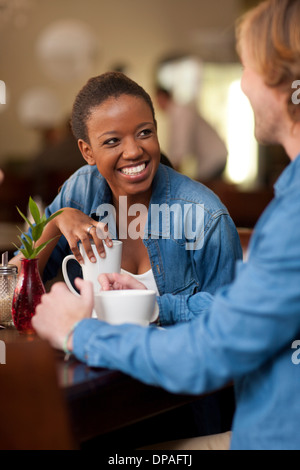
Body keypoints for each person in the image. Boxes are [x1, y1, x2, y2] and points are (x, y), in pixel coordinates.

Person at [31, 0, 300, 450]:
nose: (243, 83)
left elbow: (211, 352)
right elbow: (20, 268)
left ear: (284, 83)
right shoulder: (287, 204)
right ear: (86, 150)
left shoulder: (265, 219)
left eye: (246, 68)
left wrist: (81, 332)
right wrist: (57, 222)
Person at [10, 71, 242, 438]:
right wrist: (55, 221)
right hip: (97, 390)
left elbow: (234, 322)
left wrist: (150, 306)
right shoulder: (81, 188)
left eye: (145, 132)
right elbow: (12, 290)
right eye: (113, 140)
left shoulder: (203, 214)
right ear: (87, 151)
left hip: (180, 404)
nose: (134, 150)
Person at [155, 86, 228, 183]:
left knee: (203, 191)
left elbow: (180, 148)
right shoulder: (175, 113)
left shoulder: (181, 112)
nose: (156, 105)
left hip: (214, 158)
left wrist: (172, 177)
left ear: (162, 98)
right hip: (212, 158)